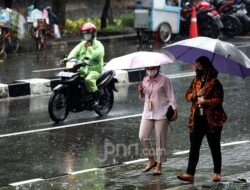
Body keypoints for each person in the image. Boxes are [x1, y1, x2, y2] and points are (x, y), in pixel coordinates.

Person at [177, 56, 227, 183]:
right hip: (196, 119)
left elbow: (219, 100)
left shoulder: (215, 83)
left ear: (205, 68)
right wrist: (196, 95)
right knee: (194, 146)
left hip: (212, 120)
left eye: (199, 66)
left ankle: (217, 172)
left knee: (214, 146)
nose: (196, 69)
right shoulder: (196, 81)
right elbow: (187, 96)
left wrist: (206, 101)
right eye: (196, 66)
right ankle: (190, 173)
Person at [138, 66, 177, 175]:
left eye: (152, 67)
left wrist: (175, 109)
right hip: (148, 112)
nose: (150, 69)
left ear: (158, 67)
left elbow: (171, 96)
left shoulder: (165, 79)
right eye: (148, 68)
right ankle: (151, 160)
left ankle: (159, 164)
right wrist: (141, 92)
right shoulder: (145, 80)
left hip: (162, 112)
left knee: (160, 139)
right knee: (142, 137)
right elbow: (143, 99)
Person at [61, 23, 105, 107]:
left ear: (93, 34)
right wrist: (67, 59)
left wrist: (89, 48)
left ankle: (96, 98)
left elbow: (98, 55)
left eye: (88, 34)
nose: (86, 36)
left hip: (95, 70)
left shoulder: (98, 45)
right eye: (85, 34)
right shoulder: (82, 44)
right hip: (83, 69)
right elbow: (74, 52)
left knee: (88, 80)